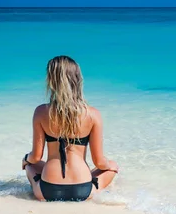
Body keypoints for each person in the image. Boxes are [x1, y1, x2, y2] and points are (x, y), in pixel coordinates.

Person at [22, 55, 119, 201]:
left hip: (47, 189)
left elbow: (36, 157)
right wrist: (109, 164)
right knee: (111, 168)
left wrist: (25, 159)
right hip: (83, 189)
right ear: (77, 80)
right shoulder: (92, 114)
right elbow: (99, 162)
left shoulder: (41, 112)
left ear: (51, 82)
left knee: (30, 166)